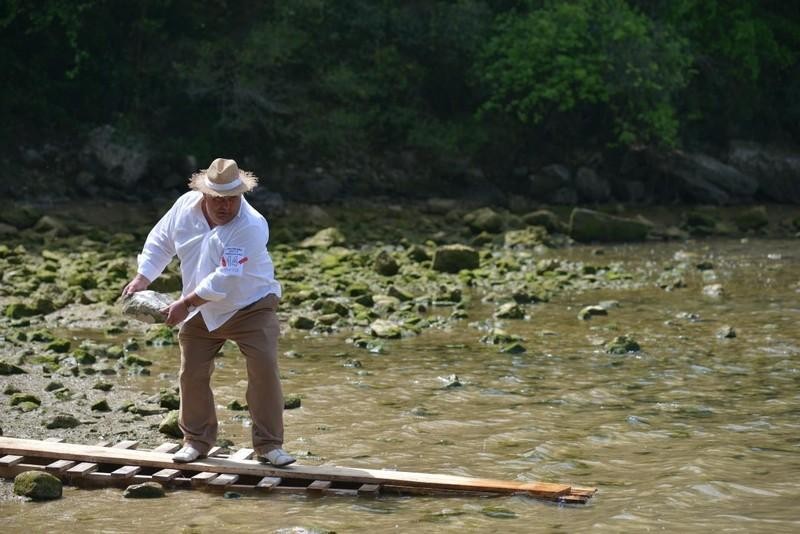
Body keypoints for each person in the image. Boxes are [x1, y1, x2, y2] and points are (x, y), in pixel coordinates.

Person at [122, 157, 295, 467]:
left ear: (241, 194)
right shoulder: (184, 207)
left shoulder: (251, 225)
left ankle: (269, 446)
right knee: (191, 374)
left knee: (264, 369)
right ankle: (196, 441)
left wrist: (185, 303)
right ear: (204, 194)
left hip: (251, 305)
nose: (225, 205)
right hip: (200, 309)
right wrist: (143, 277)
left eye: (231, 198)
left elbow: (226, 278)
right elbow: (161, 241)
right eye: (217, 198)